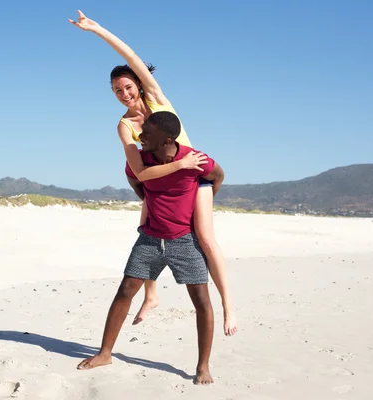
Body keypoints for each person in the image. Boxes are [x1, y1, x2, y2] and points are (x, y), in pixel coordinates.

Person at [68, 10, 237, 336]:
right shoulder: (124, 126)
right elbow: (138, 169)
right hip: (160, 182)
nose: (124, 93)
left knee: (205, 238)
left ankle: (228, 306)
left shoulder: (158, 99)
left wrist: (97, 29)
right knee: (149, 230)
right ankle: (151, 294)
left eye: (128, 86)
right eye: (117, 90)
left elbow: (130, 55)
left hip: (193, 175)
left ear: (138, 83)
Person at [77, 111, 223, 385]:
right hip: (150, 238)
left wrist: (203, 203)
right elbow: (135, 179)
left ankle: (203, 366)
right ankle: (105, 353)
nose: (141, 136)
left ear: (167, 138)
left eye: (148, 132)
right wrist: (149, 198)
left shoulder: (195, 159)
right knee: (125, 291)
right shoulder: (141, 160)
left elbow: (218, 175)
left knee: (202, 301)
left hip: (185, 240)